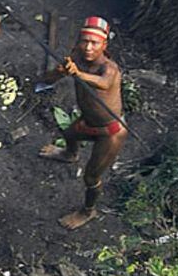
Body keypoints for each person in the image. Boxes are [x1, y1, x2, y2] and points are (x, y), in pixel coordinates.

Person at [38, 16, 127, 230]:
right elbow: (47, 80)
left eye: (94, 43)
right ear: (78, 42)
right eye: (84, 41)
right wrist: (59, 72)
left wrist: (78, 74)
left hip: (110, 132)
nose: (88, 47)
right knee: (69, 134)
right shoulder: (76, 58)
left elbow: (104, 83)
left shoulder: (109, 68)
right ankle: (70, 154)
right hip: (88, 121)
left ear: (104, 45)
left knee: (91, 176)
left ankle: (88, 211)